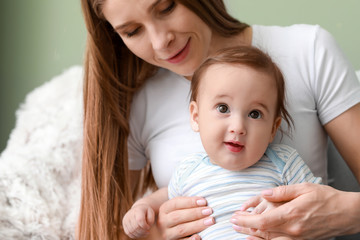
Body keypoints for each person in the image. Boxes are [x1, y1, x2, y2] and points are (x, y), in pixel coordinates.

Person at [78, 0, 360, 239]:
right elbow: (110, 228)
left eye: (166, 7)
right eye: (132, 31)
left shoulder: (306, 49)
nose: (160, 42)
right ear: (195, 115)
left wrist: (344, 213)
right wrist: (156, 232)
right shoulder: (138, 101)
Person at [121, 46, 322, 240]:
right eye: (223, 108)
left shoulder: (283, 162)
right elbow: (167, 195)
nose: (238, 127)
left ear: (272, 128)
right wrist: (143, 207)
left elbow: (319, 204)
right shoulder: (189, 170)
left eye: (254, 114)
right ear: (196, 116)